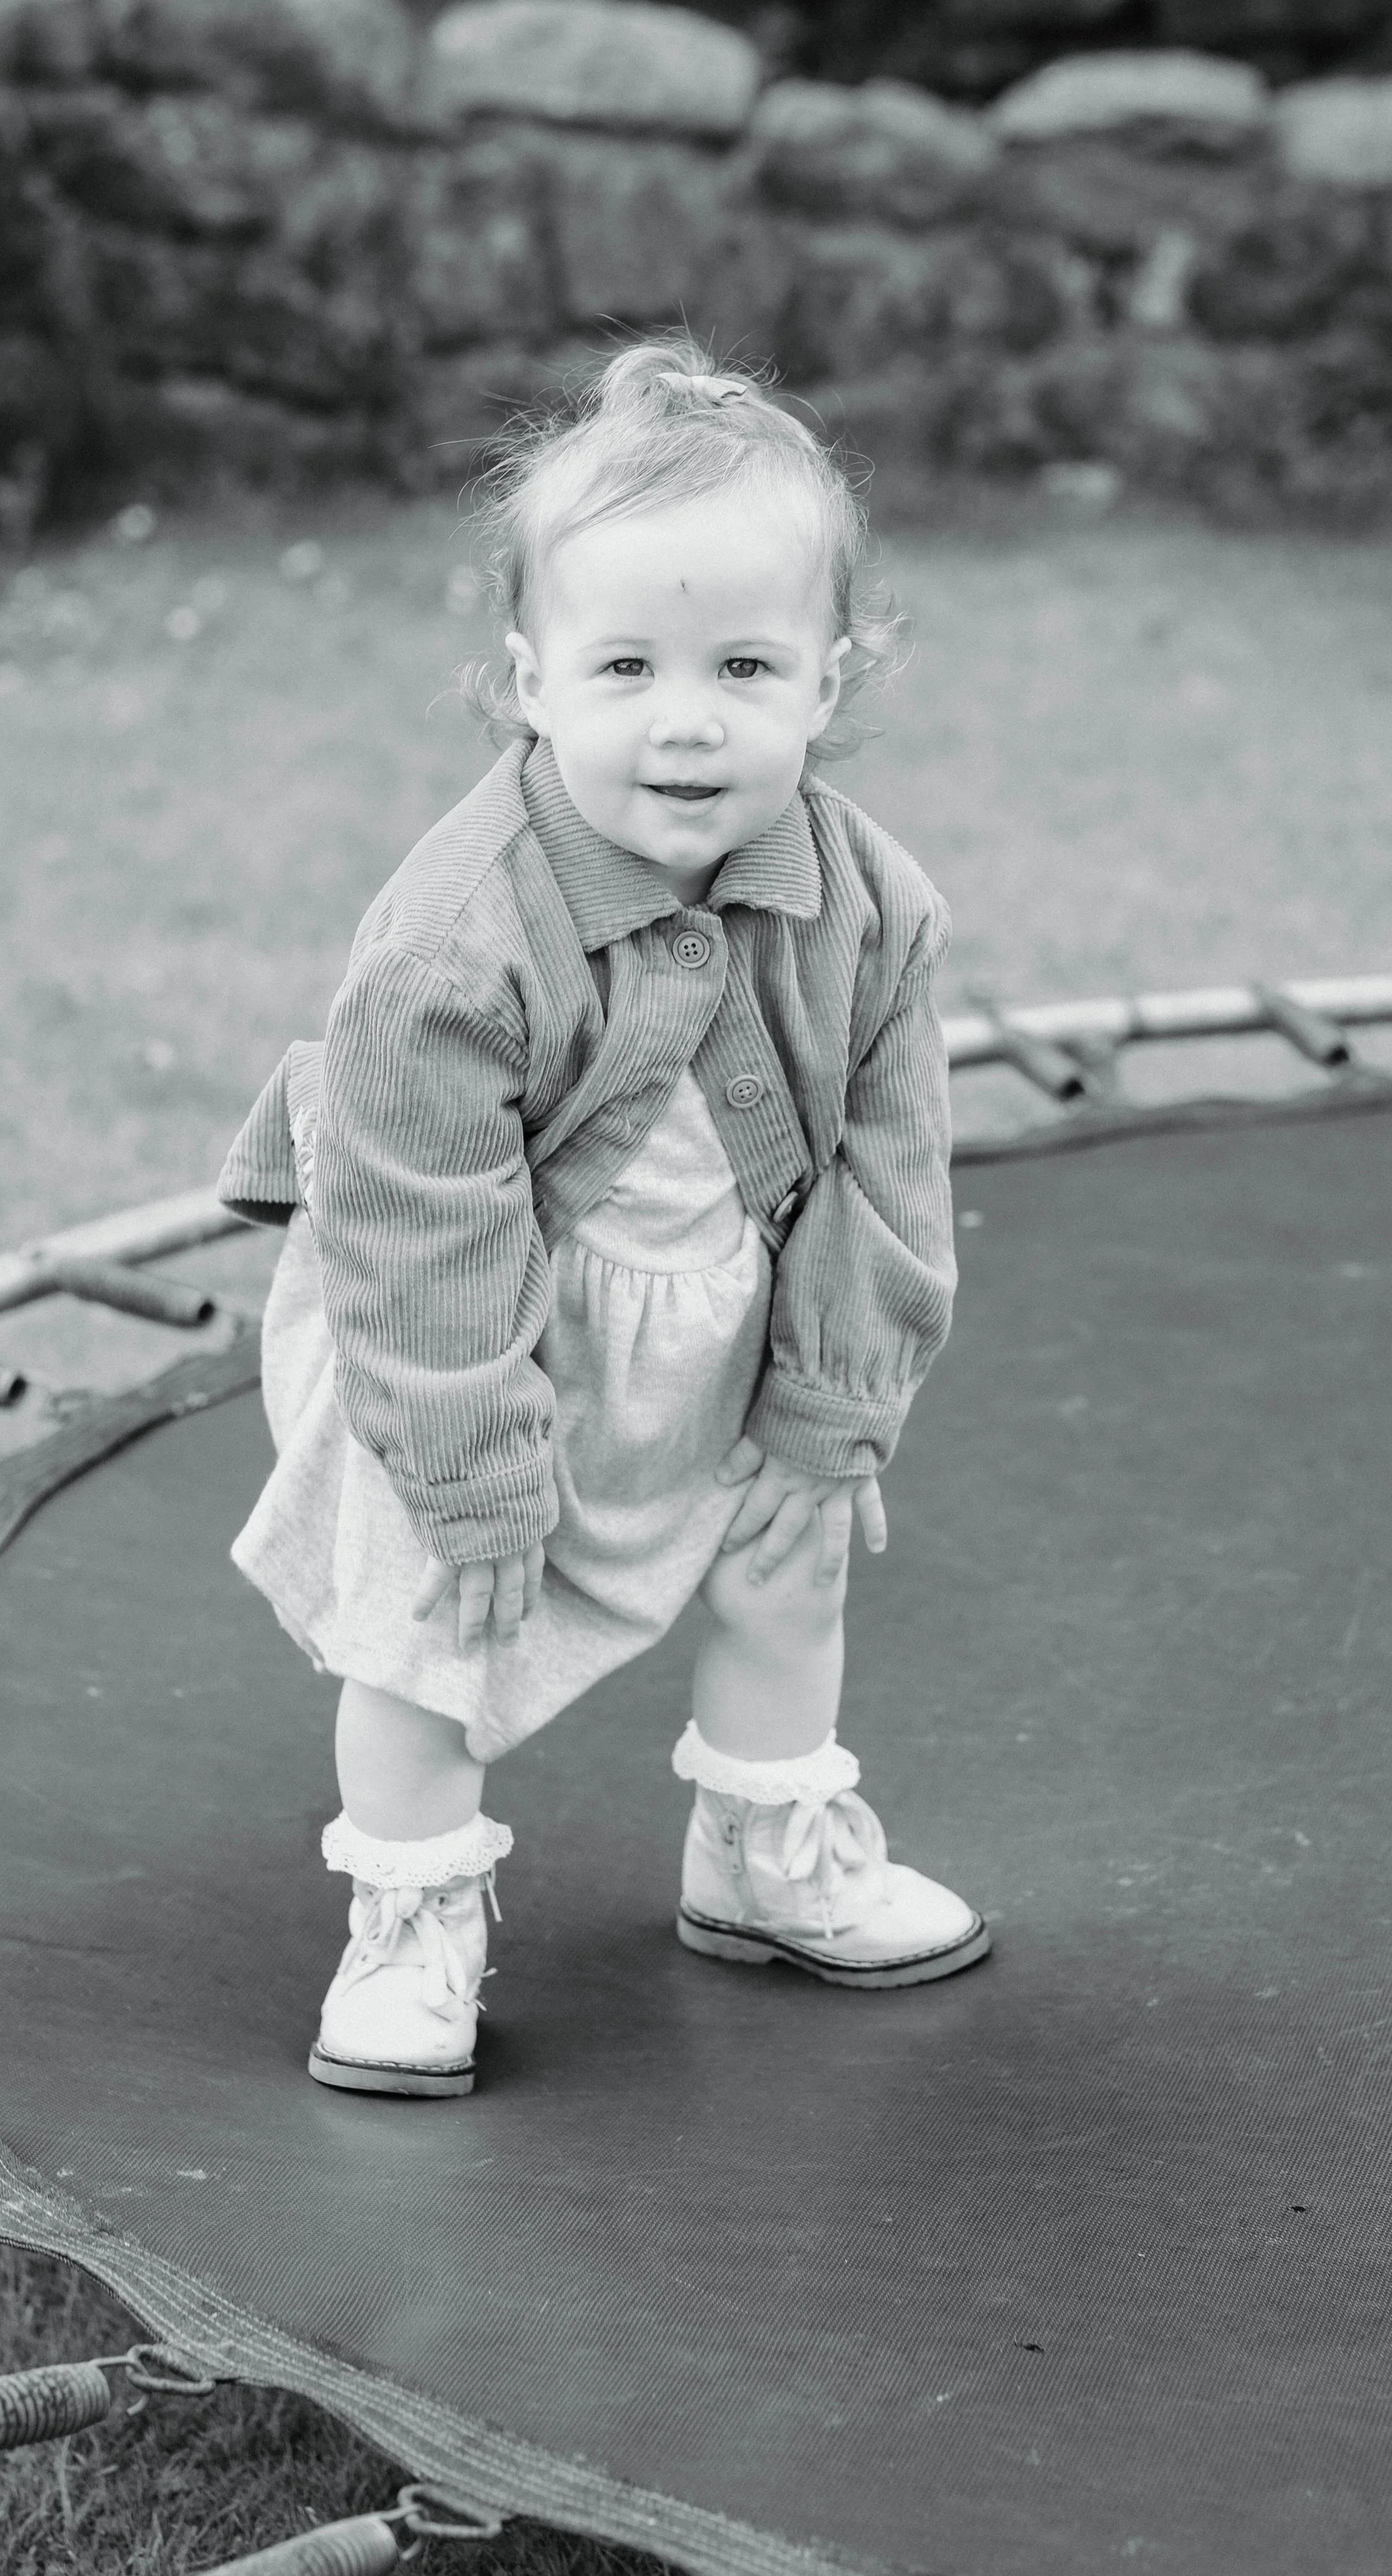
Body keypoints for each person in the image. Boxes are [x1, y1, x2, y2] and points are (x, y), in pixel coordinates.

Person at [219, 336, 989, 2098]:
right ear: (530, 682)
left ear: (827, 680)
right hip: (458, 1332)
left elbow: (890, 1161)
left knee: (789, 1554)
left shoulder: (870, 905)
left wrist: (832, 1395)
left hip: (720, 1305)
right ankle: (408, 1917)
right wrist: (475, 1460)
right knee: (429, 1624)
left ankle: (760, 1851)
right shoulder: (452, 942)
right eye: (625, 665)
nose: (684, 719)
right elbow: (417, 1221)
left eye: (743, 667)